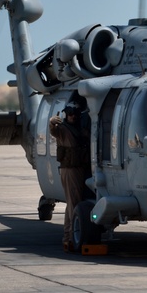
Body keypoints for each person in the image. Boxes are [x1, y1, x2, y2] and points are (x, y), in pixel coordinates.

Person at [49, 98, 92, 252]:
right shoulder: (63, 129)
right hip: (70, 170)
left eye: (74, 113)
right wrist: (52, 122)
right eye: (69, 113)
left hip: (79, 169)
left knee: (73, 202)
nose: (72, 116)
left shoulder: (79, 129)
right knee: (74, 204)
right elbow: (54, 131)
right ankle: (70, 236)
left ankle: (68, 235)